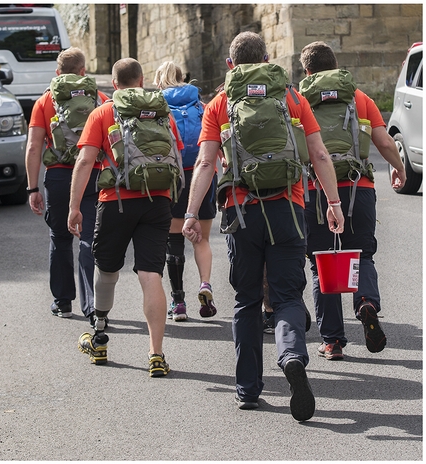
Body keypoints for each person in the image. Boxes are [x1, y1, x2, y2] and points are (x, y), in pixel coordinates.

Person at [182, 32, 344, 421]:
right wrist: (334, 203)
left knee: (247, 299)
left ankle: (248, 389)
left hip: (241, 212)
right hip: (288, 207)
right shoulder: (291, 97)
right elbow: (319, 153)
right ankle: (291, 355)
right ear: (268, 58)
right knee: (288, 295)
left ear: (230, 66)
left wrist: (190, 213)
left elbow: (205, 163)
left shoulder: (220, 102)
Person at [67, 58, 184, 376]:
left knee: (106, 269)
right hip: (158, 200)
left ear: (114, 85)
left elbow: (85, 161)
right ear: (142, 79)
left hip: (115, 200)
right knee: (151, 275)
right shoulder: (161, 112)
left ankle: (100, 336)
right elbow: (177, 153)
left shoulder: (103, 111)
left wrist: (74, 207)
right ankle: (156, 354)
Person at [299, 41, 406, 360]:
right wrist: (400, 170)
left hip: (318, 192)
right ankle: (367, 303)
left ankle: (332, 341)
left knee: (323, 262)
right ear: (335, 65)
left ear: (307, 71)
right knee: (362, 254)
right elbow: (385, 142)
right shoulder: (360, 98)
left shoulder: (300, 101)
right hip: (360, 187)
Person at [26, 47, 109, 326]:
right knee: (88, 240)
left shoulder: (45, 101)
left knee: (60, 237)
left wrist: (32, 188)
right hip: (93, 176)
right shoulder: (101, 100)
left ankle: (63, 302)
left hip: (60, 177)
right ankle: (92, 307)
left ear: (57, 73)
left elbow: (34, 146)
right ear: (84, 72)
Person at [153, 61, 217, 321]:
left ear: (159, 81)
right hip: (204, 175)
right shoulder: (201, 106)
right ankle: (205, 285)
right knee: (201, 238)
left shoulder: (157, 107)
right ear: (183, 78)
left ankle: (178, 303)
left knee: (175, 240)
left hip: (174, 177)